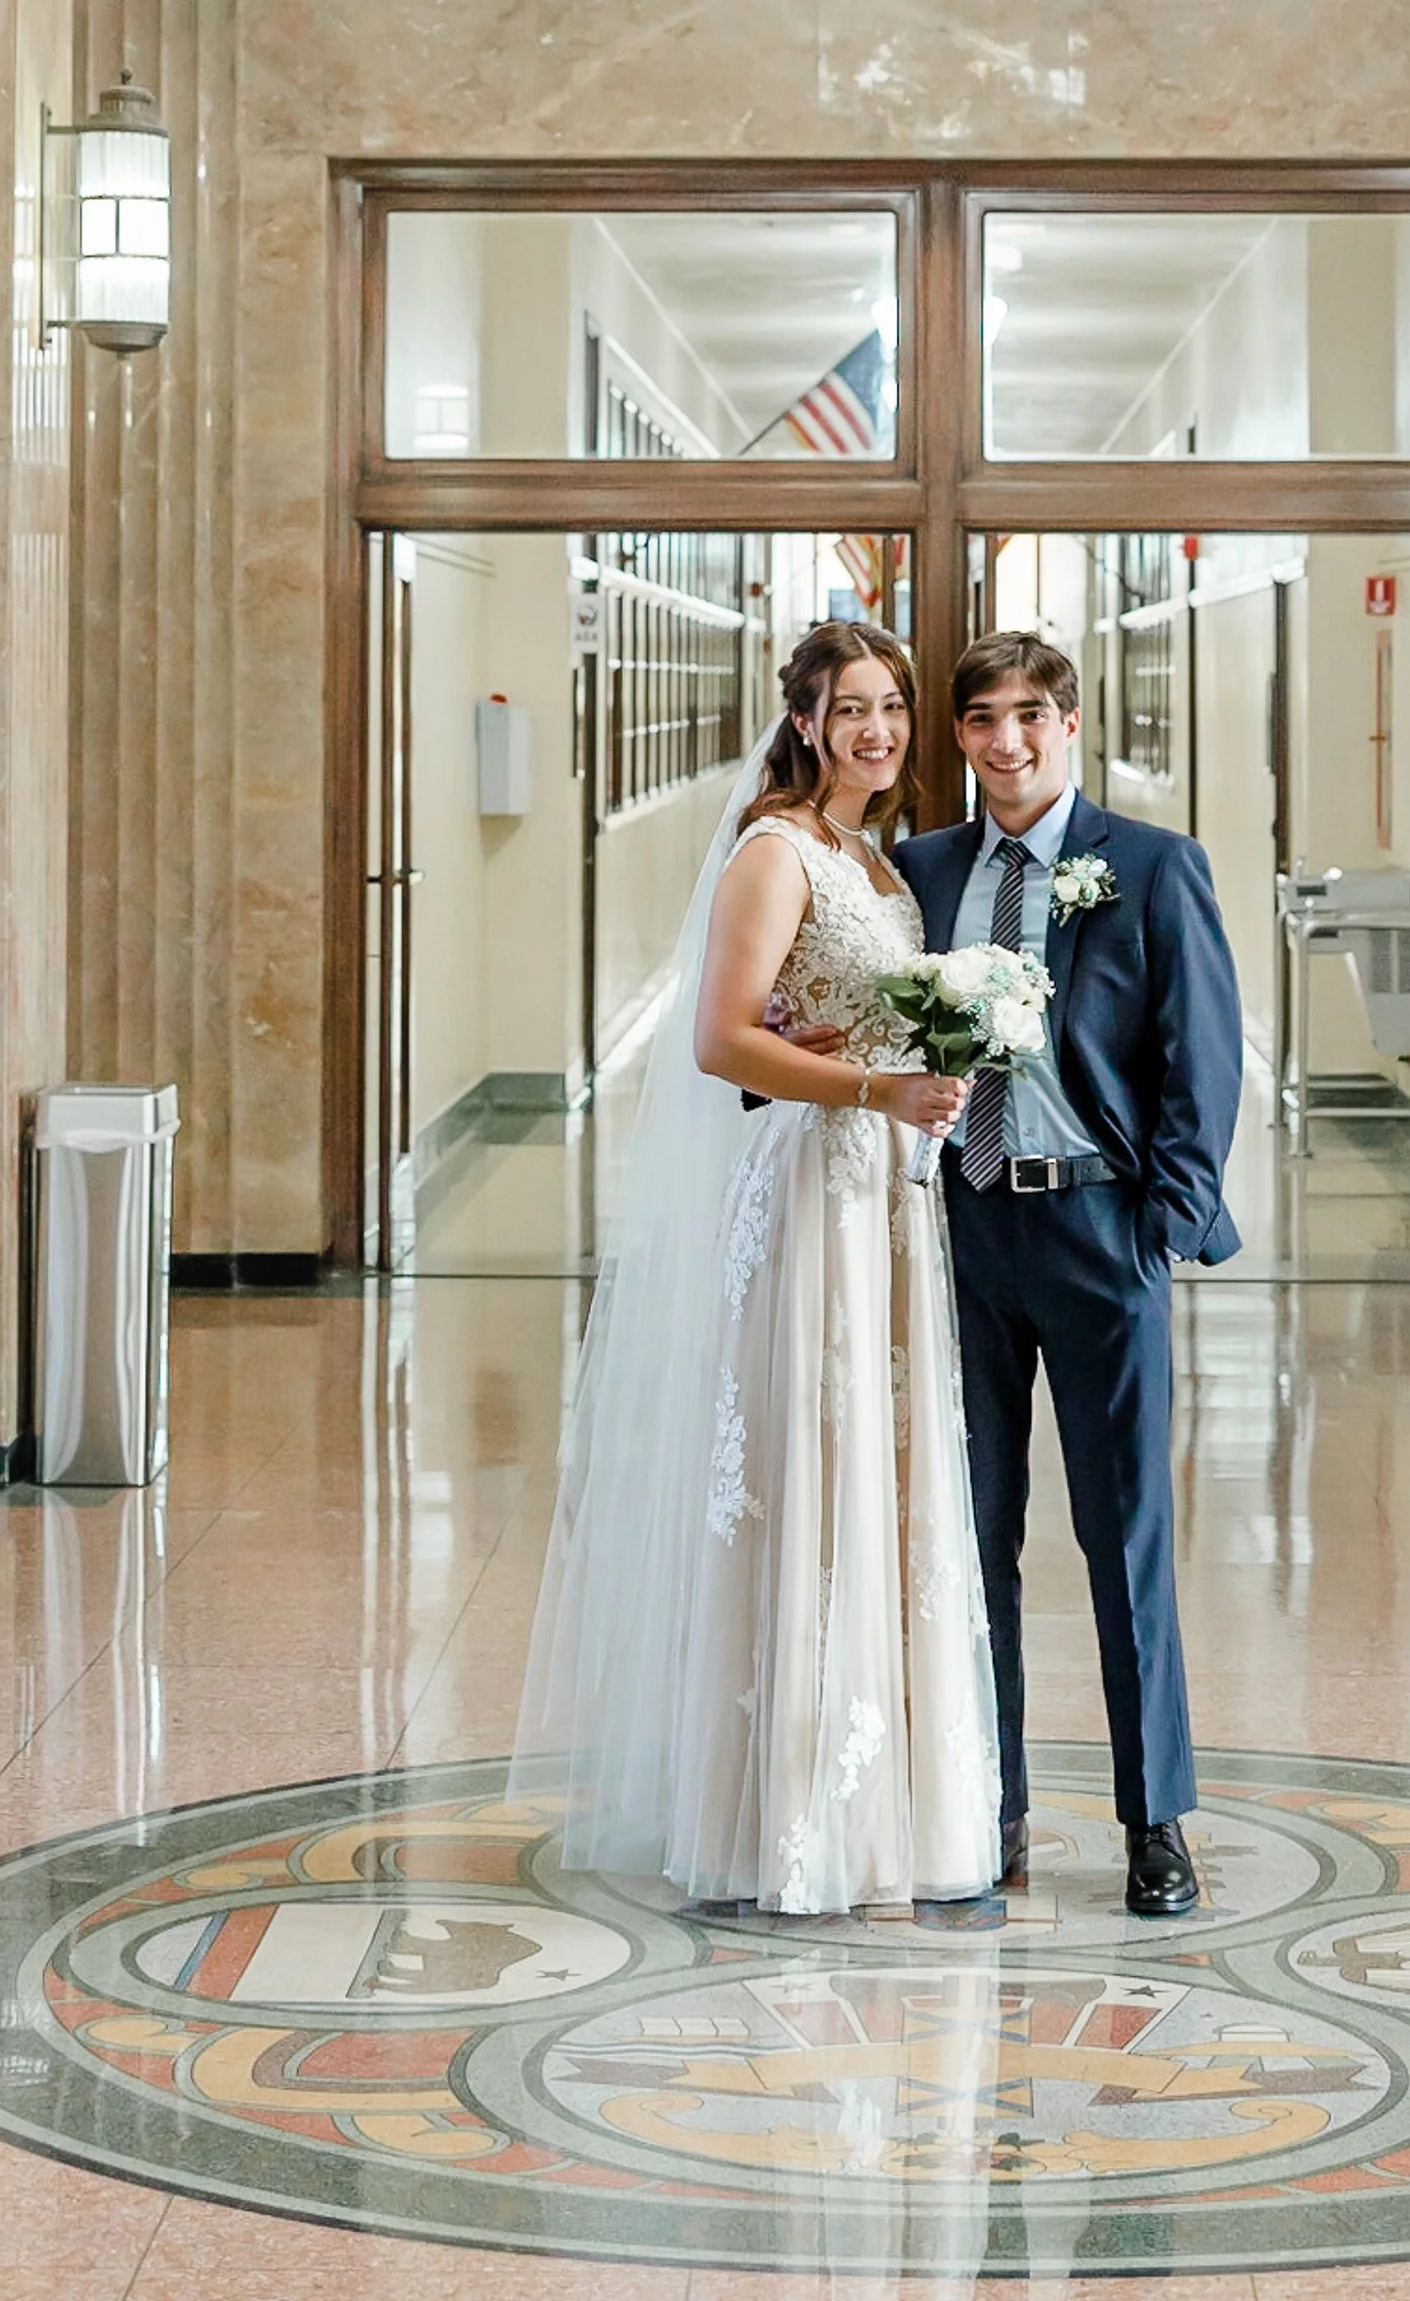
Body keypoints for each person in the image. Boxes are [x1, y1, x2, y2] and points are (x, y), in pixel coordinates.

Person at [511, 619, 1002, 1919]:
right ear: (802, 722)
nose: (876, 731)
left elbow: (853, 1011)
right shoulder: (775, 854)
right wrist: (873, 1086)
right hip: (808, 1196)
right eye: (849, 708)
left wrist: (920, 1071)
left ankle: (889, 1809)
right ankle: (785, 1816)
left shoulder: (879, 866)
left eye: (892, 707)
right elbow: (722, 1042)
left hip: (885, 1200)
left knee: (879, 1477)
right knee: (808, 1468)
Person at [895, 630, 1244, 1922]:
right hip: (963, 1237)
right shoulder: (921, 870)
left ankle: (1155, 1819)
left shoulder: (1149, 867)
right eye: (982, 718)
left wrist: (1164, 1224)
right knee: (971, 1535)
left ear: (1072, 724)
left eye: (1030, 715)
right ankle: (987, 1803)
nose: (1007, 741)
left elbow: (1203, 1057)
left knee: (1122, 1535)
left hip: (1100, 1232)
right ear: (959, 738)